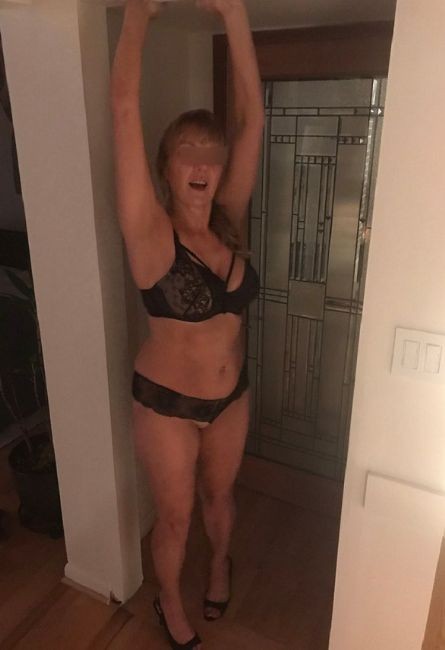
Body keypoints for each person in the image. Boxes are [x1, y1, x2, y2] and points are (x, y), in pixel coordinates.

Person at [110, 1, 264, 647]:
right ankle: (168, 601)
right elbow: (123, 106)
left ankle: (220, 562)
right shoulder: (149, 232)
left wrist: (233, 12)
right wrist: (138, 15)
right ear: (165, 168)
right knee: (174, 519)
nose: (202, 165)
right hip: (168, 405)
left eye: (212, 155)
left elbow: (253, 118)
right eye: (186, 153)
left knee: (219, 499)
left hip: (231, 397)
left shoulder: (227, 217)